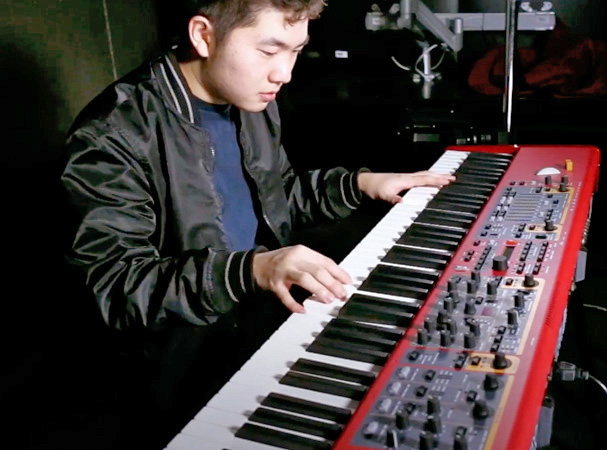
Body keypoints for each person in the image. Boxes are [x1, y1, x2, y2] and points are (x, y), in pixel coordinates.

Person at [60, 0, 453, 447]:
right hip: (183, 369)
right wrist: (253, 269)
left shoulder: (248, 96)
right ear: (203, 36)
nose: (283, 73)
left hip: (265, 322)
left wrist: (360, 184)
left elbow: (275, 197)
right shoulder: (112, 132)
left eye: (296, 51)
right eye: (269, 51)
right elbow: (116, 288)